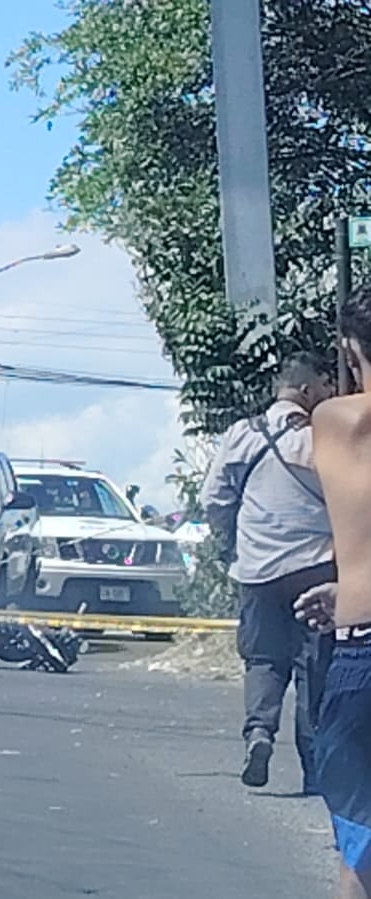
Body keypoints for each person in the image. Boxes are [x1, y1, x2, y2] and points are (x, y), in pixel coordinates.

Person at [201, 351, 337, 791]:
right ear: (306, 390)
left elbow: (214, 499)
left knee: (263, 660)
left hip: (257, 568)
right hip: (314, 567)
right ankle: (314, 766)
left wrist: (233, 540)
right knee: (314, 666)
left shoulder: (241, 435)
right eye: (325, 384)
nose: (331, 393)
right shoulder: (321, 439)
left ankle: (258, 733)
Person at [296, 287, 371, 898]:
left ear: (350, 348)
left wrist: (346, 586)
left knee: (358, 856)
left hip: (361, 652)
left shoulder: (333, 422)